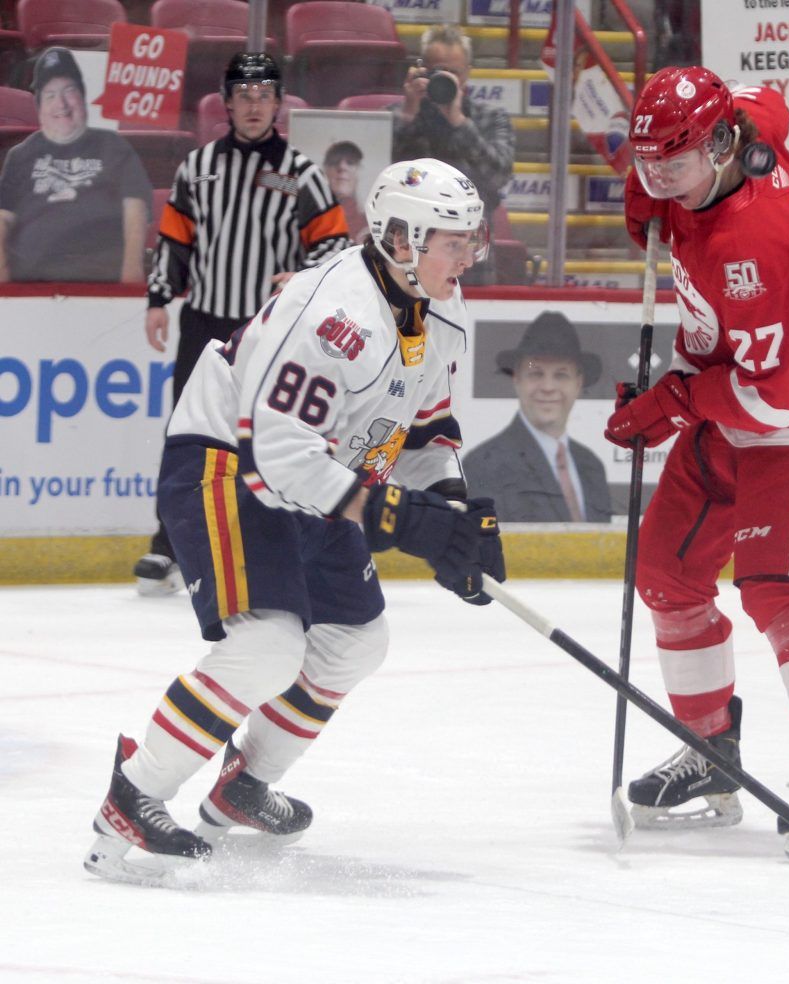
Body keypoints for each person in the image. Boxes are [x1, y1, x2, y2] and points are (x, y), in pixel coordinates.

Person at [84, 158, 506, 883]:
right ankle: (134, 795)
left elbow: (426, 424)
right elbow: (274, 458)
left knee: (354, 644)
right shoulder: (331, 315)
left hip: (321, 474)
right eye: (453, 241)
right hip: (225, 464)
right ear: (402, 239)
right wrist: (406, 520)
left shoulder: (440, 303)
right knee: (268, 648)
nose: (469, 257)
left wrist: (457, 514)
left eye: (473, 240)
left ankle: (241, 788)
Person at [605, 67, 789, 860]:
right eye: (645, 160)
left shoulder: (751, 247)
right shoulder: (738, 123)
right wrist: (657, 187)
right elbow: (768, 95)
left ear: (722, 146)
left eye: (673, 161)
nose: (655, 176)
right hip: (722, 391)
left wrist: (674, 401)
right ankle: (710, 753)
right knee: (667, 576)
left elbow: (772, 401)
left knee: (780, 593)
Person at [134, 52, 350, 596]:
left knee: (275, 437)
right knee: (188, 438)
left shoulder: (303, 173)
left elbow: (335, 248)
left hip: (270, 332)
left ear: (278, 104)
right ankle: (170, 546)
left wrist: (302, 279)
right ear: (226, 102)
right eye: (244, 95)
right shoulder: (197, 168)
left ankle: (282, 544)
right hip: (204, 323)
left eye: (264, 95)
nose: (254, 105)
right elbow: (174, 243)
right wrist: (159, 298)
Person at [0, 46, 151, 283]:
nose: (61, 104)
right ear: (39, 106)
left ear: (83, 97)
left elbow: (135, 208)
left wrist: (131, 272)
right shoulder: (20, 155)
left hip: (102, 280)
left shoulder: (113, 145)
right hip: (32, 283)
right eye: (50, 95)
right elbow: (2, 219)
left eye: (69, 91)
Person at [392, 24, 514, 285]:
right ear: (422, 68)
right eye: (438, 71)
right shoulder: (400, 114)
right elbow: (380, 172)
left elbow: (499, 174)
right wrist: (408, 113)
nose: (444, 78)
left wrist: (458, 120)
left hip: (470, 252)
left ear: (467, 74)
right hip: (409, 249)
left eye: (453, 72)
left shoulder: (490, 119)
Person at [463, 311, 612, 523]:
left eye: (561, 374)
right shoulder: (483, 465)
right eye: (536, 373)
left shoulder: (592, 466)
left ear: (578, 383)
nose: (548, 387)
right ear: (517, 379)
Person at [323, 140, 368, 242]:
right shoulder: (312, 220)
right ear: (325, 170)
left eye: (350, 162)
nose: (342, 167)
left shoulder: (371, 224)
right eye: (334, 161)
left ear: (359, 171)